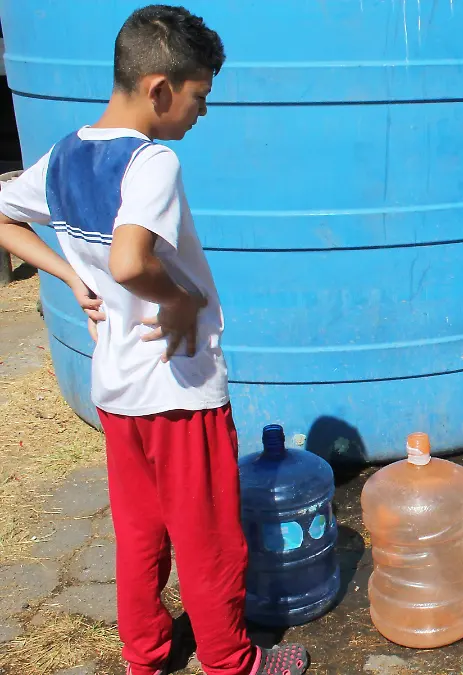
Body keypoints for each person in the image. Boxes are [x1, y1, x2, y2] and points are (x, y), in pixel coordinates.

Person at [0, 6, 310, 675]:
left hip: (116, 389)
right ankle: (234, 661)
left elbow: (7, 216)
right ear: (160, 89)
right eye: (199, 97)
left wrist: (67, 276)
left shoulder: (66, 154)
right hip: (179, 388)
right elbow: (130, 259)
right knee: (209, 540)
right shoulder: (152, 162)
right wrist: (184, 296)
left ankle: (145, 656)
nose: (202, 112)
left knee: (140, 534)